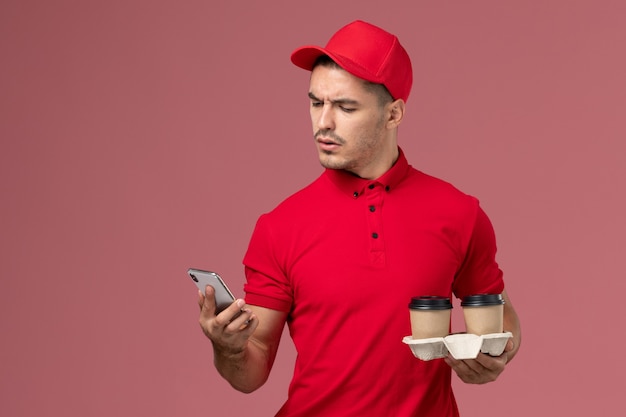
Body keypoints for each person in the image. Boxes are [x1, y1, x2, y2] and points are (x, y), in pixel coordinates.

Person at [198, 20, 521, 416]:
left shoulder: (459, 213)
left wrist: (495, 355)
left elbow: (500, 314)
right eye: (317, 103)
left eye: (345, 107)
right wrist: (227, 346)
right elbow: (251, 371)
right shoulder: (279, 226)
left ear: (393, 114)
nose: (323, 123)